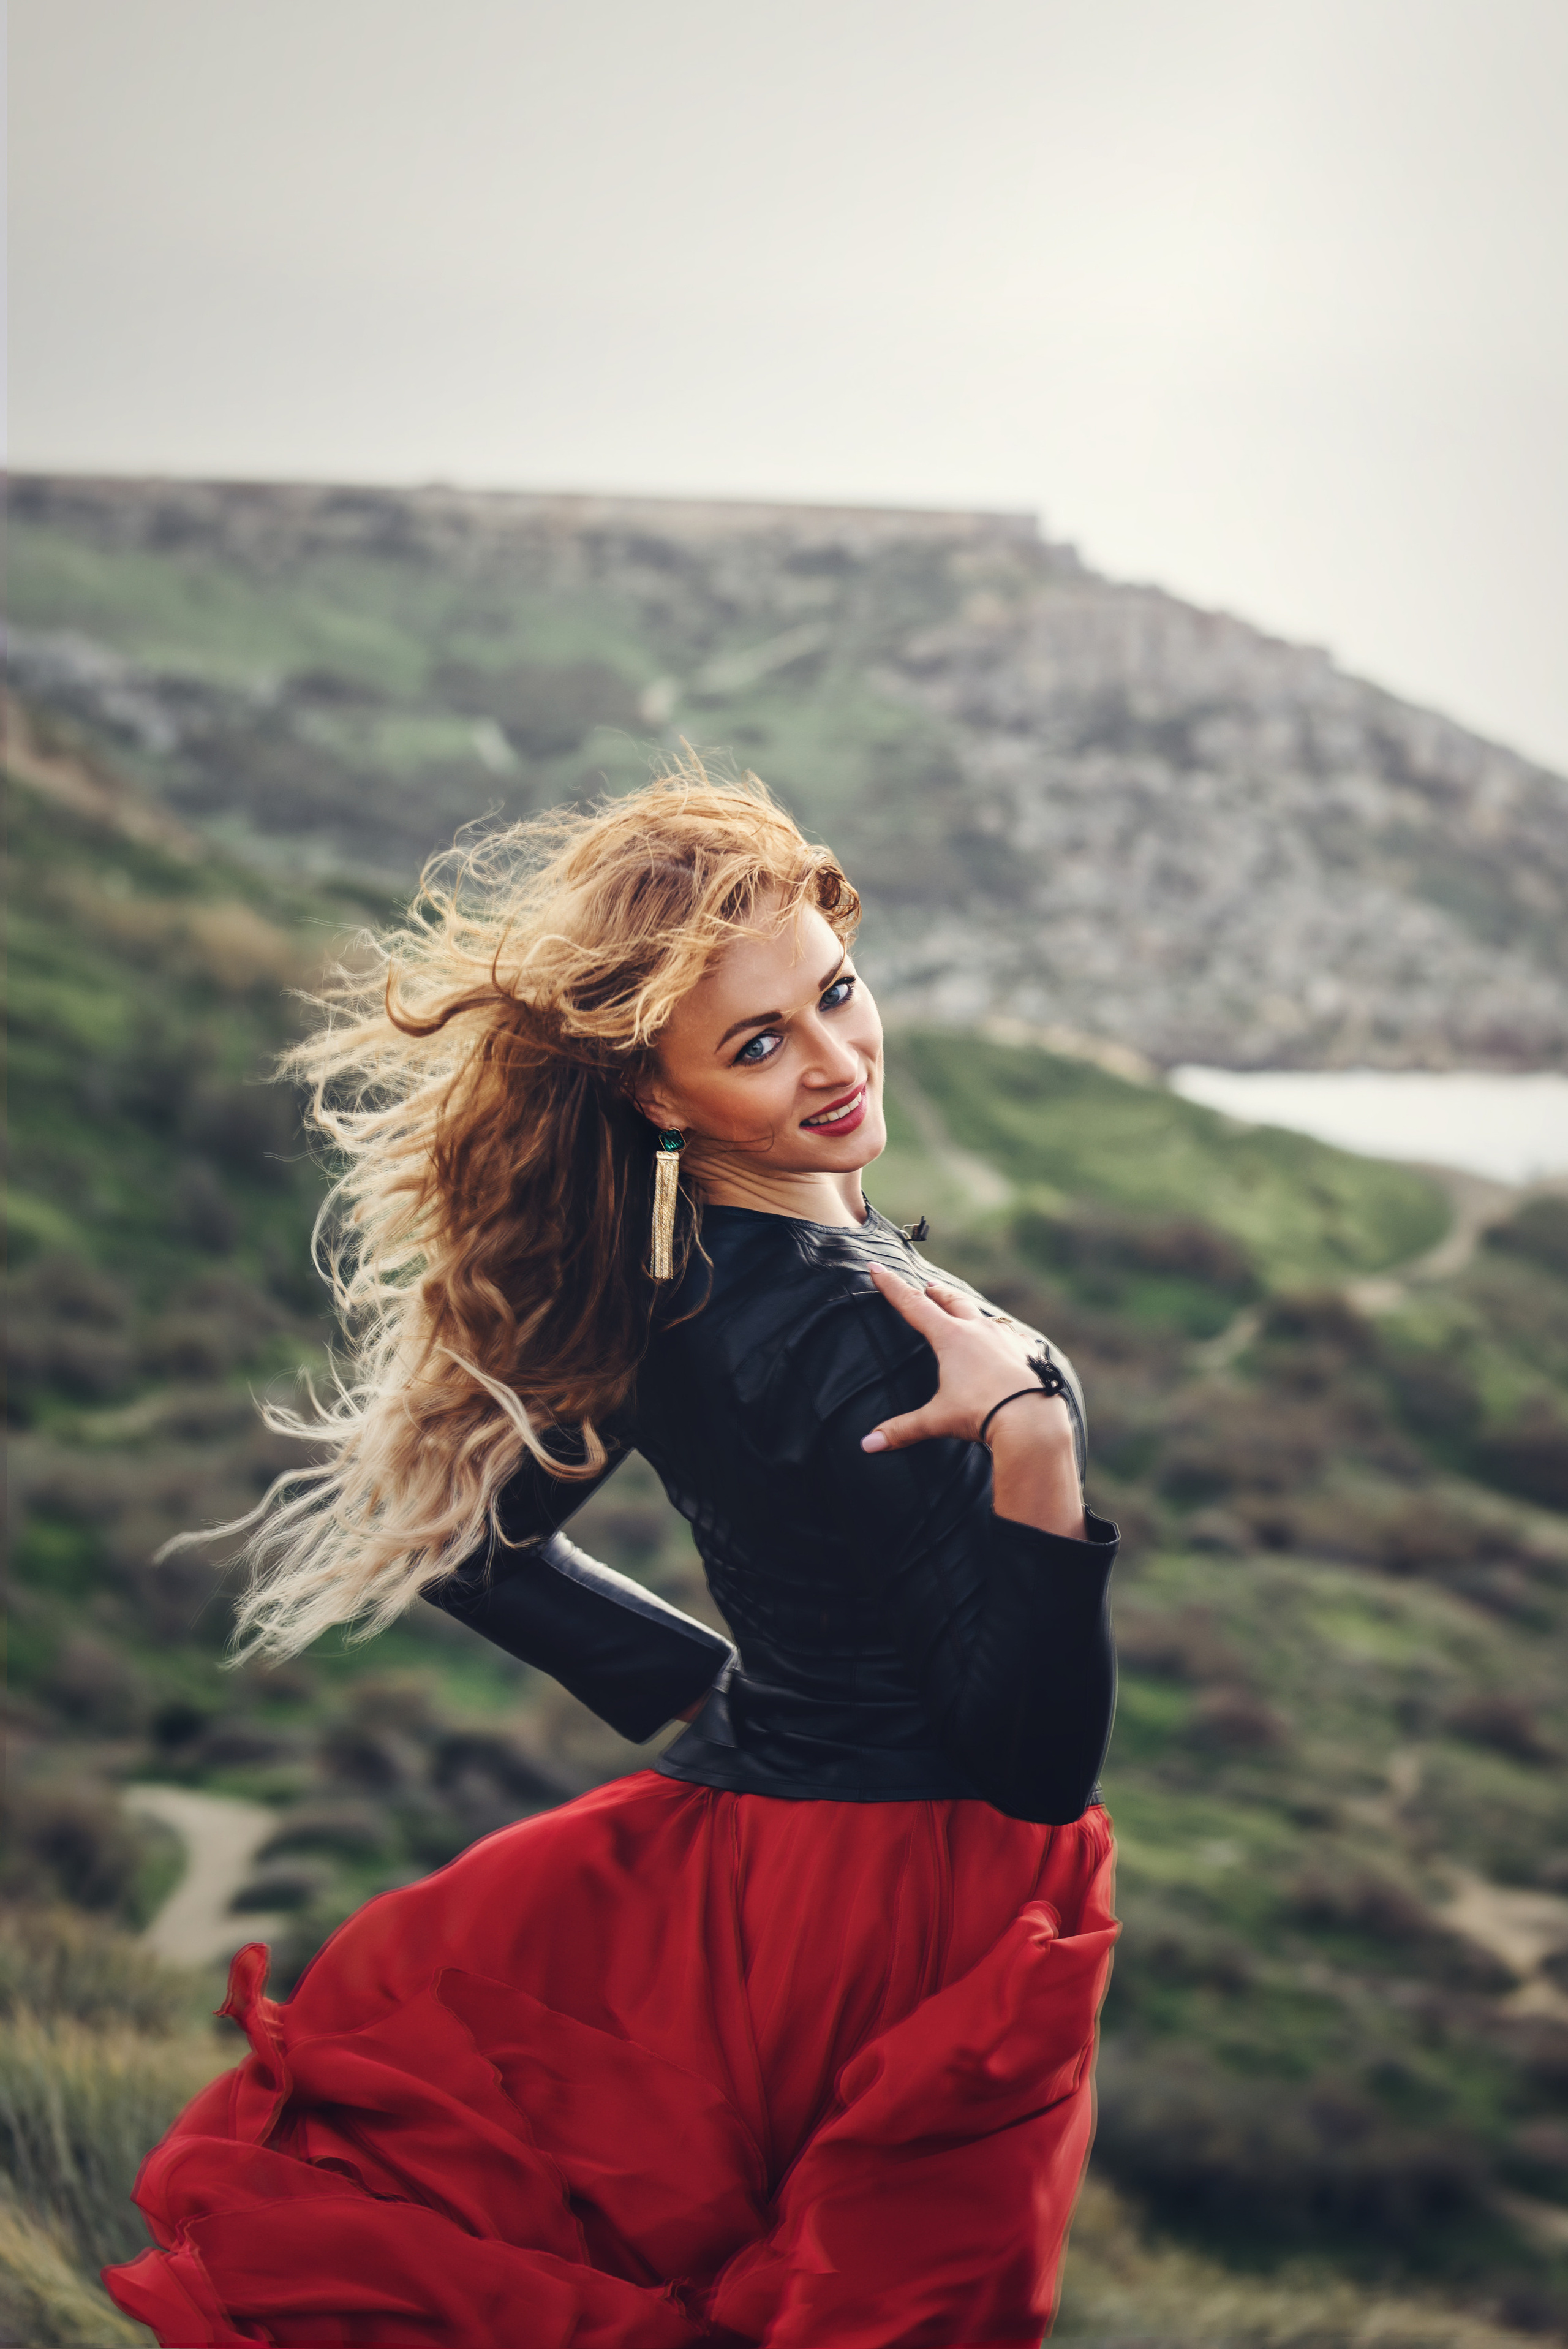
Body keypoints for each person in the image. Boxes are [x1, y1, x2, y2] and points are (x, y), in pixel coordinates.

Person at [105, 762, 1120, 2349]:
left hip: (739, 1865)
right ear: (658, 1090)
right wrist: (1039, 1445)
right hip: (920, 1912)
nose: (839, 1059)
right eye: (759, 1042)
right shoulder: (871, 1341)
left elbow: (481, 1551)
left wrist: (736, 1709)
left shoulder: (663, 1276)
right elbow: (1034, 1766)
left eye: (837, 993)